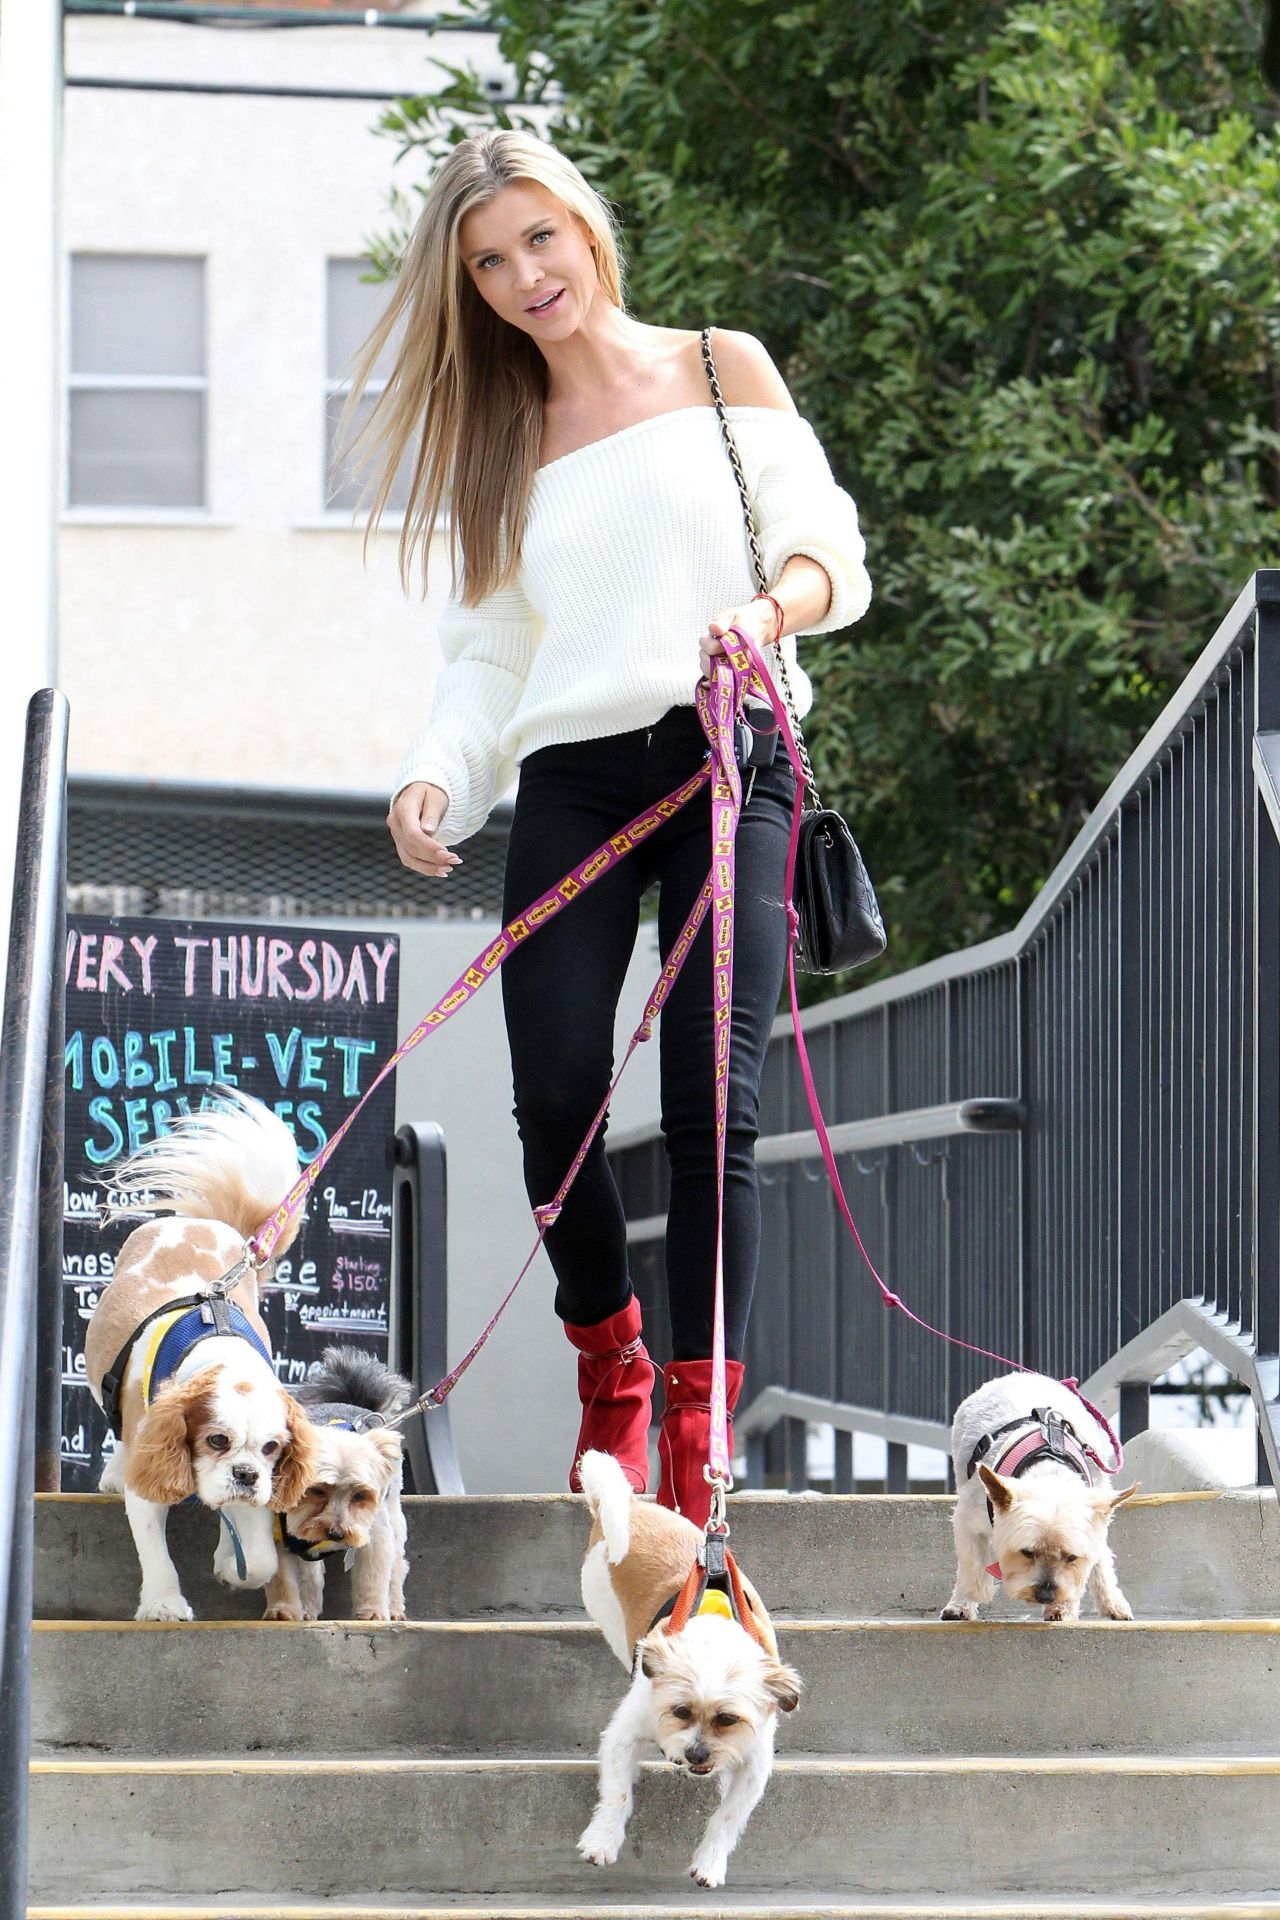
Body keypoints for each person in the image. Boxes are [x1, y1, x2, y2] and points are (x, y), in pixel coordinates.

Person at [359, 129, 872, 1527]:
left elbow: (831, 551)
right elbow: (488, 652)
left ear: (586, 229)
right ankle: (613, 1357)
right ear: (468, 288)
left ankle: (701, 1432)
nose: (525, 274)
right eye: (488, 261)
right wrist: (436, 778)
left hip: (730, 750)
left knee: (717, 1099)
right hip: (576, 780)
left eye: (540, 238)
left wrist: (772, 610)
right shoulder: (504, 444)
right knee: (557, 1099)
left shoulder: (722, 371)